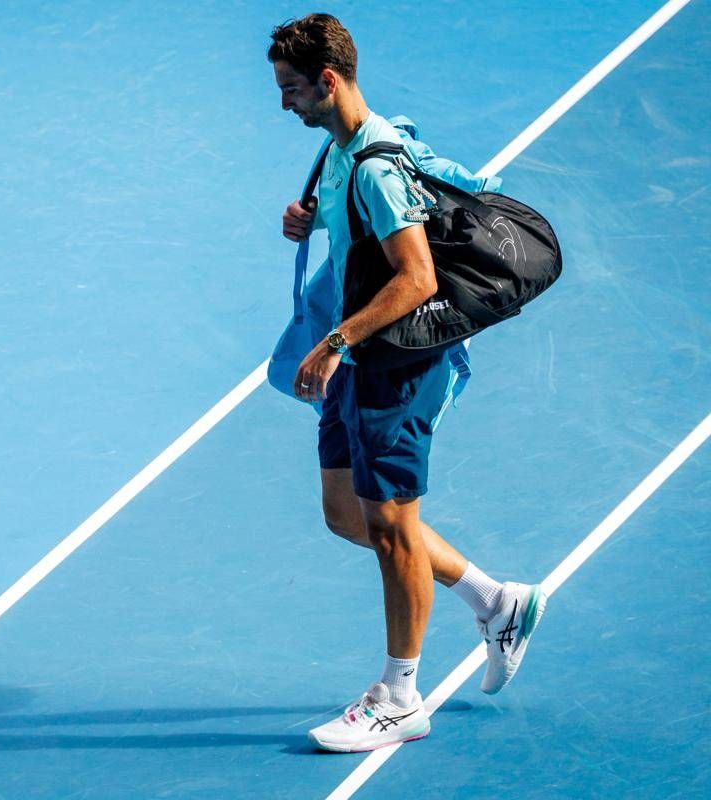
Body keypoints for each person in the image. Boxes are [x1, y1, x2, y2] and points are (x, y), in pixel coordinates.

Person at [268, 13, 548, 752]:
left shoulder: (374, 167)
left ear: (328, 81)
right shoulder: (342, 150)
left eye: (292, 88)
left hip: (390, 366)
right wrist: (311, 221)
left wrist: (335, 341)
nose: (285, 103)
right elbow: (357, 226)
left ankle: (399, 697)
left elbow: (417, 277)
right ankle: (497, 601)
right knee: (345, 512)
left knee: (392, 528)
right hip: (358, 359)